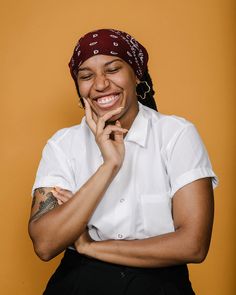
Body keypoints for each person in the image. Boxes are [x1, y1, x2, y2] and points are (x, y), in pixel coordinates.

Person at [29, 29, 219, 295]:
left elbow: (193, 245)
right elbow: (46, 244)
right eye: (86, 76)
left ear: (136, 74)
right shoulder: (62, 145)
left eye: (113, 69)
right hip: (79, 284)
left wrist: (88, 246)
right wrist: (110, 166)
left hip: (158, 285)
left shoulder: (176, 134)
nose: (100, 84)